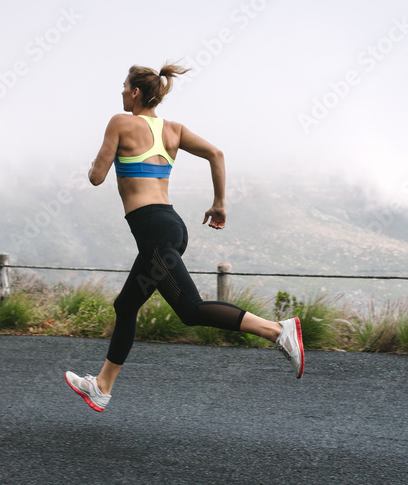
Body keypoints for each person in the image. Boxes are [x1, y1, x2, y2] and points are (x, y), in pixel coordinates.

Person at [65, 62, 304, 412]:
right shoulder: (173, 129)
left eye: (123, 86)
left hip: (154, 233)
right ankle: (101, 385)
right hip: (170, 226)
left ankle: (277, 331)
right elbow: (216, 154)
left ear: (135, 92)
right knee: (126, 305)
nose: (120, 92)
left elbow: (96, 177)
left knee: (190, 311)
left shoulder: (119, 122)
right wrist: (219, 204)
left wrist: (98, 161)